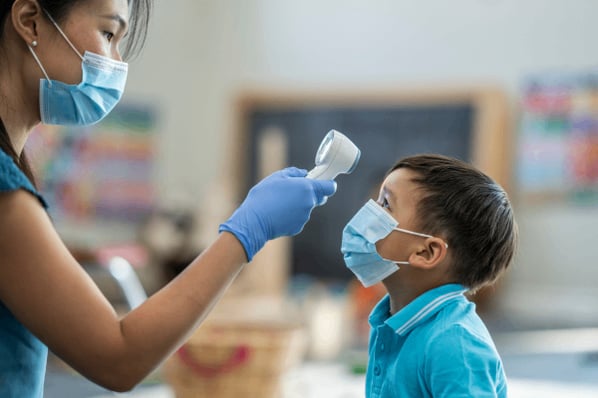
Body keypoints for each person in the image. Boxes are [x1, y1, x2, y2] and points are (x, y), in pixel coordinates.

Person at [0, 0, 336, 396]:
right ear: (30, 21)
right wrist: (247, 232)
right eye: (108, 33)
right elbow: (119, 356)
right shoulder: (7, 196)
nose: (117, 60)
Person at [341, 154, 517, 397]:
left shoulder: (455, 345)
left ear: (426, 251)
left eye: (385, 204)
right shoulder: (391, 322)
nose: (369, 211)